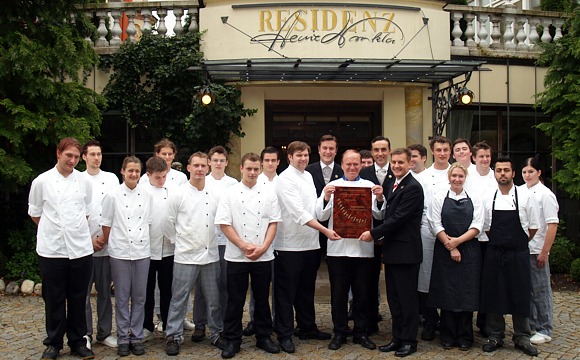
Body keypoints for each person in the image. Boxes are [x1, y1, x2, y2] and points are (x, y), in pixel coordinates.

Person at [29, 137, 95, 360]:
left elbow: (85, 211)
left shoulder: (84, 182)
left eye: (76, 157)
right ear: (59, 153)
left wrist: (73, 230)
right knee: (54, 298)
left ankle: (78, 341)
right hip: (52, 249)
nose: (73, 160)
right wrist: (55, 230)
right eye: (69, 155)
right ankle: (54, 343)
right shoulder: (42, 181)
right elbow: (35, 213)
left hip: (80, 248)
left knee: (78, 297)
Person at [274, 141, 340, 353]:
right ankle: (284, 334)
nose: (303, 159)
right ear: (289, 157)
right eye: (298, 155)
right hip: (289, 245)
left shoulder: (309, 176)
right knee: (286, 293)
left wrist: (326, 198)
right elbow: (298, 213)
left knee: (306, 289)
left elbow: (315, 210)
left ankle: (307, 327)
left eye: (305, 155)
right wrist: (325, 231)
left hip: (310, 244)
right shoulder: (284, 179)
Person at [316, 150, 385, 351]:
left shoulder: (369, 187)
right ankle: (339, 332)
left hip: (363, 250)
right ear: (342, 164)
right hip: (338, 250)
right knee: (338, 294)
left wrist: (380, 199)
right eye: (348, 164)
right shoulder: (332, 186)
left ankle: (361, 332)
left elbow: (379, 214)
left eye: (356, 164)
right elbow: (320, 215)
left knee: (363, 294)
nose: (352, 167)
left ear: (361, 165)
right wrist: (327, 198)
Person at [216, 153, 282, 358]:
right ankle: (232, 340)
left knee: (262, 299)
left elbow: (274, 222)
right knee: (235, 300)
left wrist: (263, 247)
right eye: (249, 169)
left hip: (263, 255)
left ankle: (263, 337)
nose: (253, 173)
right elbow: (224, 223)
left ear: (260, 169)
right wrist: (243, 245)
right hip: (236, 255)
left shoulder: (269, 192)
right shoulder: (230, 193)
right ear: (241, 169)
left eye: (256, 169)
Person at [360, 148, 424, 357]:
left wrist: (373, 233)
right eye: (394, 163)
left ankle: (409, 340)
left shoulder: (413, 187)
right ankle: (397, 338)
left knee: (407, 299)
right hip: (393, 251)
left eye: (401, 163)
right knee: (394, 299)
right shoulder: (393, 184)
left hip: (406, 252)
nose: (396, 166)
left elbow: (399, 218)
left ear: (410, 164)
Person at [163, 152, 226, 356]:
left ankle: (217, 333)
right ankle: (173, 335)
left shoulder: (215, 194)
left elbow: (222, 219)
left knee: (214, 298)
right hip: (185, 255)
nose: (199, 169)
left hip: (210, 255)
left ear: (207, 168)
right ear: (188, 168)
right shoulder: (178, 193)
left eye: (202, 166)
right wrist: (179, 241)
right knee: (179, 298)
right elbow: (167, 223)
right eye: (195, 166)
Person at [480, 155, 540, 356]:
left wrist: (517, 244)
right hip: (495, 253)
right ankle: (495, 334)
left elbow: (532, 227)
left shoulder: (525, 196)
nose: (502, 174)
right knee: (494, 293)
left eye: (506, 170)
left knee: (520, 293)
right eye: (499, 170)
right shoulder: (488, 197)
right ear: (495, 173)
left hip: (518, 253)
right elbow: (487, 227)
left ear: (513, 173)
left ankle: (522, 336)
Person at [427, 163, 484, 350]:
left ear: (465, 178)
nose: (457, 179)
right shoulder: (439, 197)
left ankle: (465, 336)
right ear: (449, 177)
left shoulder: (474, 197)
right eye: (454, 176)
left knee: (466, 293)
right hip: (445, 249)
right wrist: (450, 245)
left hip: (469, 250)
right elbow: (434, 222)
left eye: (460, 176)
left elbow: (478, 225)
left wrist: (457, 242)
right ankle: (447, 335)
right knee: (447, 292)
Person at [101, 156, 153, 357]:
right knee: (122, 297)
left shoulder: (146, 195)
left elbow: (147, 222)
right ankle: (123, 337)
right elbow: (106, 224)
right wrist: (114, 242)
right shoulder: (112, 196)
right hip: (120, 252)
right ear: (122, 171)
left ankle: (137, 336)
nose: (133, 174)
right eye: (130, 170)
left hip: (142, 252)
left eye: (137, 171)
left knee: (139, 297)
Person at [192, 146, 238, 342]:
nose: (218, 163)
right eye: (215, 160)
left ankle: (225, 325)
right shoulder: (203, 182)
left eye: (222, 160)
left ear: (227, 162)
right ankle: (200, 324)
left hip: (228, 242)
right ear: (209, 162)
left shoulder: (234, 184)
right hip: (206, 241)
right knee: (203, 287)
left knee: (225, 286)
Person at [81, 140, 119, 349]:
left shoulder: (111, 179)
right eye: (92, 154)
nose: (96, 158)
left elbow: (115, 211)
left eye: (99, 154)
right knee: (83, 294)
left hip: (106, 246)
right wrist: (88, 240)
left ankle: (104, 333)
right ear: (84, 157)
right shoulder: (78, 180)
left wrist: (104, 237)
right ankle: (85, 334)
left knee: (105, 293)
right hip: (82, 247)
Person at [415, 136, 452, 341]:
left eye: (445, 149)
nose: (442, 153)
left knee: (448, 276)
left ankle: (448, 321)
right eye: (438, 150)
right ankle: (430, 319)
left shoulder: (456, 173)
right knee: (426, 276)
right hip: (427, 232)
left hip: (452, 232)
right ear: (432, 151)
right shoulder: (423, 177)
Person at [520, 157, 559, 345]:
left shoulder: (546, 194)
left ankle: (544, 328)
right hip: (522, 249)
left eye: (531, 172)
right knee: (526, 290)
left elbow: (552, 225)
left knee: (540, 290)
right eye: (525, 172)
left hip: (537, 249)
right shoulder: (519, 191)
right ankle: (532, 325)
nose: (527, 175)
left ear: (539, 173)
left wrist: (545, 251)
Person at [359, 135, 395, 334]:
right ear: (372, 152)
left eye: (383, 149)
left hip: (393, 235)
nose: (380, 154)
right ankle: (370, 322)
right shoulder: (364, 173)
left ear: (389, 151)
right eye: (376, 150)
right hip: (369, 234)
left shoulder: (397, 171)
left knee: (394, 281)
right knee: (369, 280)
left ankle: (397, 324)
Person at [243, 146, 280, 337]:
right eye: (267, 161)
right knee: (257, 288)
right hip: (256, 243)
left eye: (274, 160)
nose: (271, 163)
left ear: (278, 162)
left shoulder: (283, 182)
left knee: (274, 287)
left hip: (277, 242)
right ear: (262, 162)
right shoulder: (256, 181)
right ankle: (254, 320)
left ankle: (273, 320)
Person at [142, 157, 175, 341]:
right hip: (146, 248)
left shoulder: (172, 191)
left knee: (167, 289)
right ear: (148, 175)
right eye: (157, 177)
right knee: (146, 290)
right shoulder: (142, 192)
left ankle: (167, 322)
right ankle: (146, 324)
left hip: (168, 248)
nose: (161, 180)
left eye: (164, 176)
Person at [466, 141, 497, 335]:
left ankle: (486, 321)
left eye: (487, 156)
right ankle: (466, 320)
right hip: (471, 236)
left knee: (489, 281)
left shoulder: (497, 177)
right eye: (481, 156)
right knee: (470, 280)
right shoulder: (468, 178)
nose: (485, 160)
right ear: (474, 158)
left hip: (492, 237)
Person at [305, 134, 344, 266]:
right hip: (313, 223)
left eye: (331, 148)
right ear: (319, 149)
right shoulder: (307, 171)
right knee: (312, 264)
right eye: (325, 148)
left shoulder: (343, 171)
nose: (328, 152)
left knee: (336, 265)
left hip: (336, 224)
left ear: (336, 150)